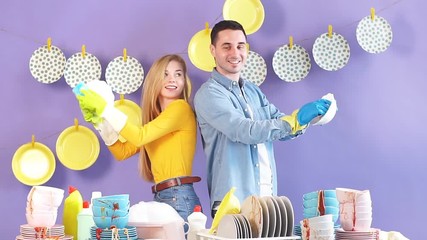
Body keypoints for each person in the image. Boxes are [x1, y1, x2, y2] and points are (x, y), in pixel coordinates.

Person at [193, 20, 332, 218]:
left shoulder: (253, 91)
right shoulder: (209, 94)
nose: (235, 53)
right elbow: (244, 130)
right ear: (213, 50)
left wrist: (305, 118)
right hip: (233, 204)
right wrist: (293, 121)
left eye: (240, 46)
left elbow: (278, 124)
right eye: (227, 46)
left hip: (268, 200)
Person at [75, 54, 202, 222]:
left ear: (184, 81)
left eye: (178, 74)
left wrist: (106, 110)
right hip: (165, 195)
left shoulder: (181, 108)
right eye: (165, 74)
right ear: (154, 79)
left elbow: (139, 137)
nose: (172, 79)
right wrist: (101, 123)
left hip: (178, 196)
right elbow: (122, 152)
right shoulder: (159, 122)